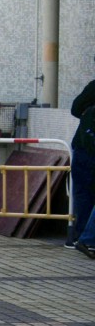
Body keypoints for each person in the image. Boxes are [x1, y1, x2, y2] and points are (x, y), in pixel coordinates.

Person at [69, 77, 95, 258]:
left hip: (83, 149)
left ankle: (82, 237)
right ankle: (86, 239)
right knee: (85, 194)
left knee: (84, 194)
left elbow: (76, 108)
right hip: (87, 150)